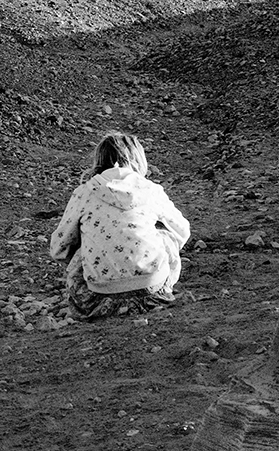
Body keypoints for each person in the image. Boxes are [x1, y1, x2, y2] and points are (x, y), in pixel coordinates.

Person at [49, 132, 191, 320]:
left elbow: (58, 247)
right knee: (167, 236)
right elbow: (182, 231)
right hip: (152, 289)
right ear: (138, 159)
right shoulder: (150, 190)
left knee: (81, 249)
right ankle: (161, 290)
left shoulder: (85, 192)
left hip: (97, 298)